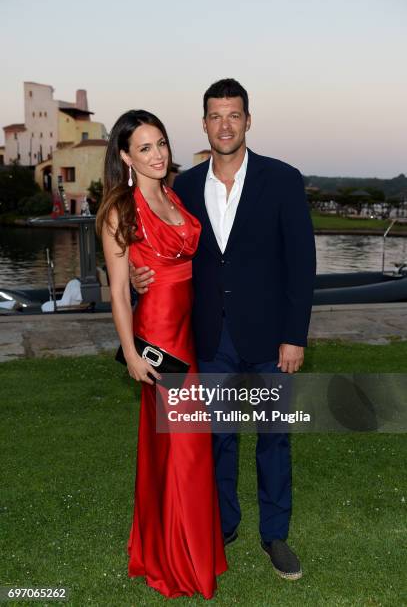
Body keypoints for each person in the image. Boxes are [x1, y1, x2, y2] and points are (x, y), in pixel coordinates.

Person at [131, 79, 317, 580]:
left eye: (234, 115)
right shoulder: (185, 186)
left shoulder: (282, 179)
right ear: (204, 124)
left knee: (274, 437)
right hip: (209, 340)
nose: (225, 125)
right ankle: (224, 524)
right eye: (215, 116)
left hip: (272, 339)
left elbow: (301, 265)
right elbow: (156, 243)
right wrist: (134, 272)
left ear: (248, 121)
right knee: (217, 437)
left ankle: (275, 535)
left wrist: (295, 336)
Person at [96, 109, 227, 599]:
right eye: (145, 148)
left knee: (178, 447)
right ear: (126, 156)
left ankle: (183, 548)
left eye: (162, 144)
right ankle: (182, 562)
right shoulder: (119, 210)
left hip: (191, 332)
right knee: (187, 445)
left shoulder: (173, 194)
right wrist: (131, 352)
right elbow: (116, 290)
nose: (158, 154)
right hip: (161, 340)